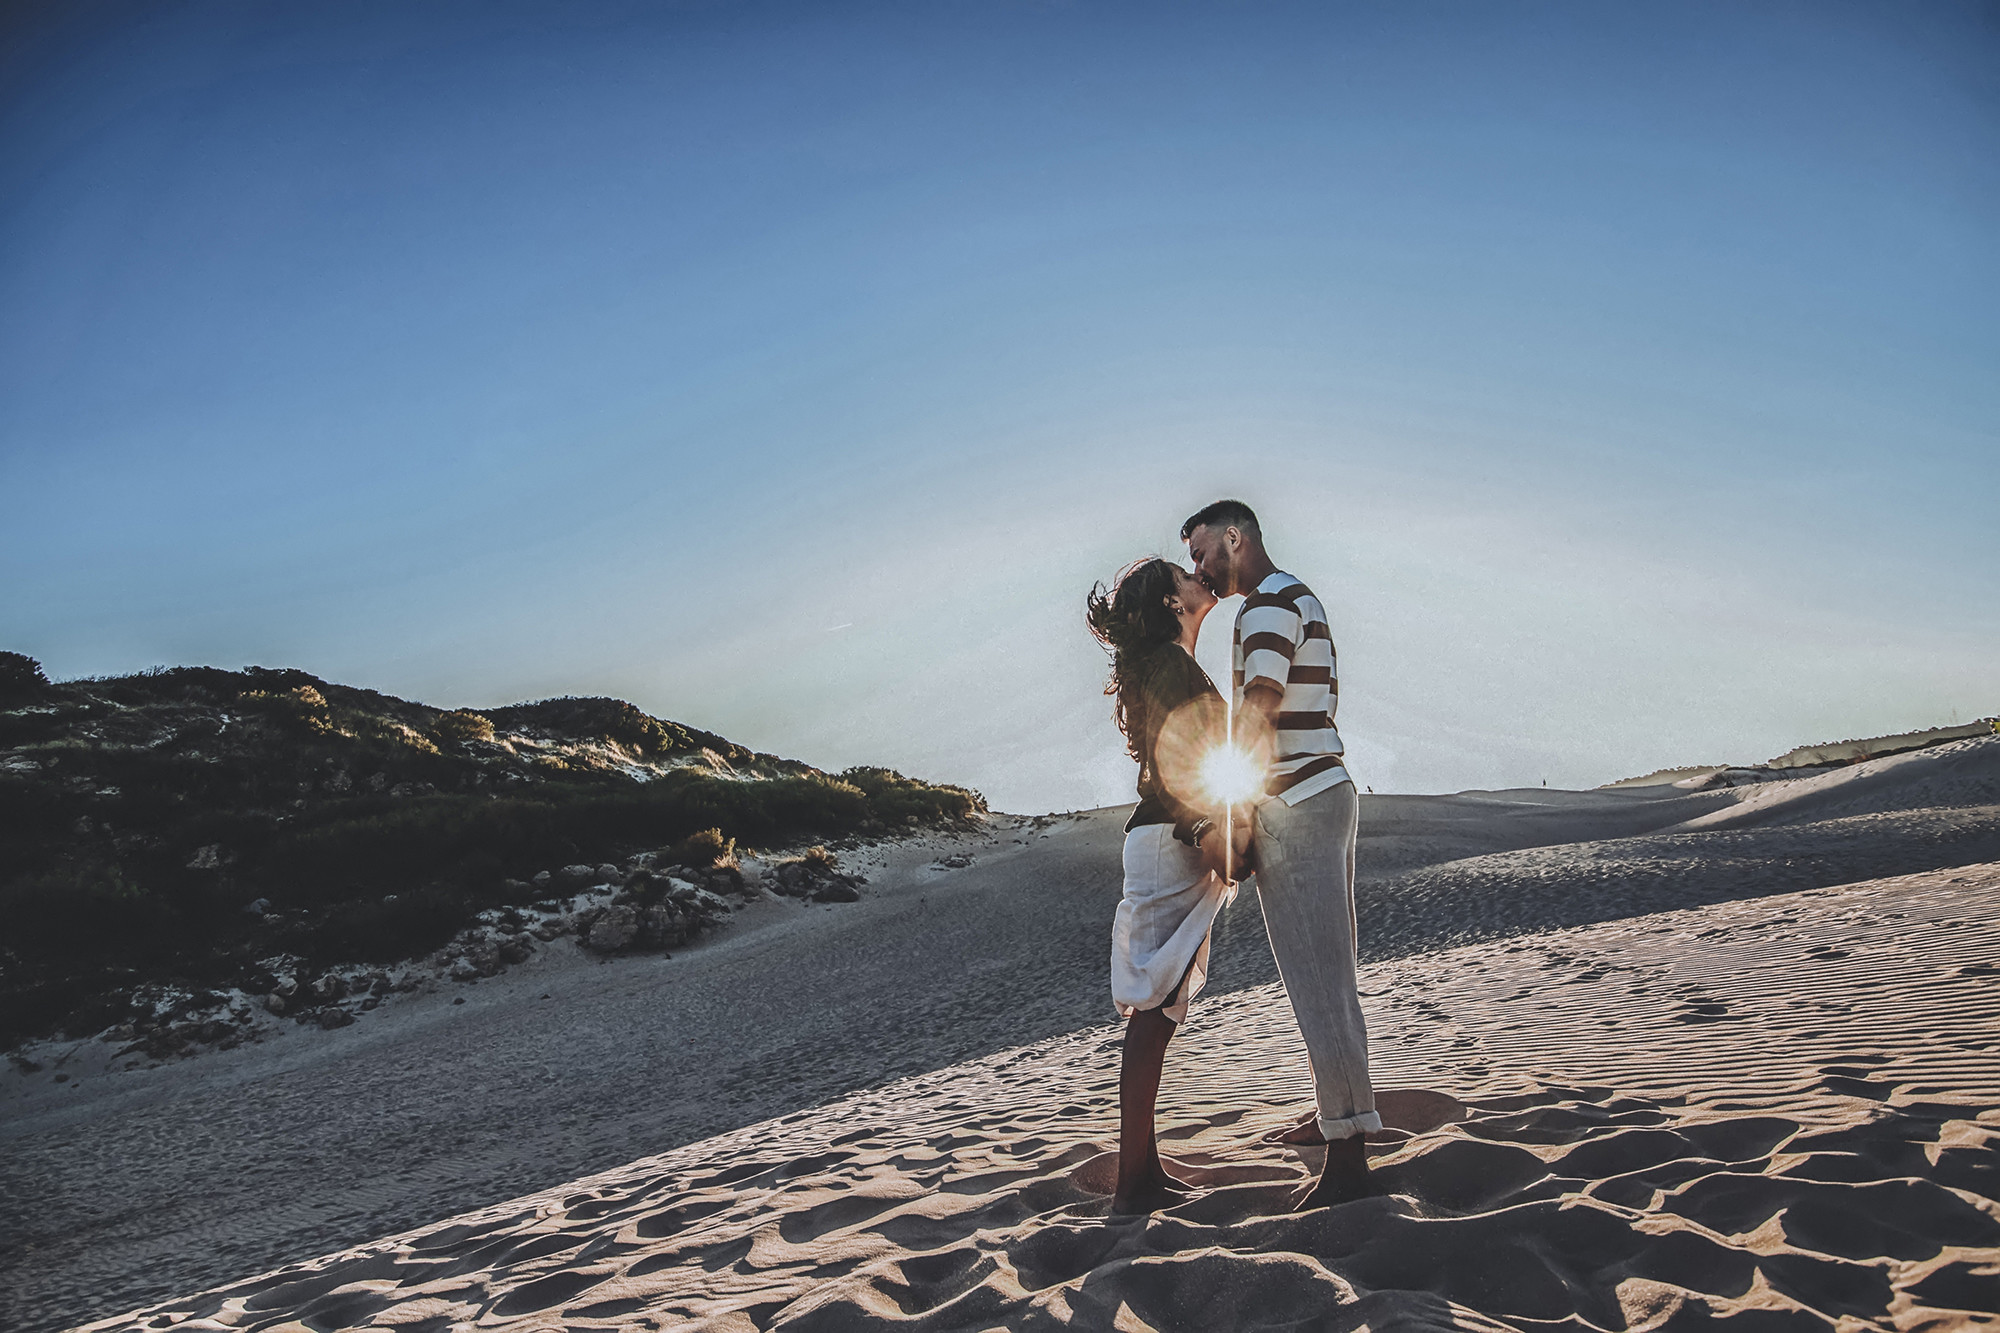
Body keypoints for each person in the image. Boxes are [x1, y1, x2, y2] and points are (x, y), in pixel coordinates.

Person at [1181, 499, 1382, 1209]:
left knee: (1318, 981)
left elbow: (1260, 708)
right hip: (1325, 791)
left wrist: (1235, 812)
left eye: (1203, 552)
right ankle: (1340, 1117)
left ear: (1235, 538)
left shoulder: (1266, 605)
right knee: (1330, 974)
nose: (1200, 568)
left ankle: (1348, 1156)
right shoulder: (1299, 595)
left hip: (1294, 803)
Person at [1085, 556, 1249, 1213]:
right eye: (1184, 574)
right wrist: (1207, 826)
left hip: (1170, 840)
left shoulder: (1170, 664)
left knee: (1164, 1004)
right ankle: (1133, 1184)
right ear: (1170, 602)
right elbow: (1178, 759)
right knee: (1154, 1010)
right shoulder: (1170, 666)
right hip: (1170, 840)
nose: (1198, 577)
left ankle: (1144, 1170)